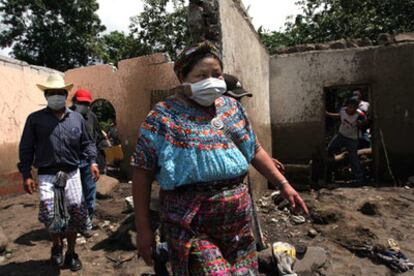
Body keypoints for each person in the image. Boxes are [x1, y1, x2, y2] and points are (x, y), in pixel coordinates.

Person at [131, 41, 308, 275]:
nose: (211, 80)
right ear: (183, 79)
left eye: (216, 74)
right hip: (190, 223)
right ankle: (167, 251)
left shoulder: (232, 108)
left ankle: (166, 254)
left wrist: (283, 185)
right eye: (201, 75)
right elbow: (141, 171)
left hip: (238, 222)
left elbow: (253, 149)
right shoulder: (162, 117)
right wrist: (143, 228)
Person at [18, 73, 99, 271]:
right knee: (52, 214)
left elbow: (87, 143)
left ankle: (71, 253)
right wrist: (27, 174)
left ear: (65, 94)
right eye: (51, 93)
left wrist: (93, 162)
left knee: (75, 214)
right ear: (45, 96)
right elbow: (26, 148)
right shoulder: (35, 119)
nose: (55, 96)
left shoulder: (77, 119)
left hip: (72, 173)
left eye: (59, 93)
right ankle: (57, 246)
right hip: (48, 174)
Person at [71, 88, 103, 236]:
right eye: (81, 103)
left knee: (90, 194)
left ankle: (87, 223)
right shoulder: (66, 116)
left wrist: (94, 161)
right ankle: (76, 224)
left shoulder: (92, 117)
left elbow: (95, 136)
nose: (85, 106)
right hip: (71, 162)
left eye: (87, 103)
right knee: (75, 196)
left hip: (88, 161)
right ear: (74, 102)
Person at [326, 97, 368, 182]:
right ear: (347, 106)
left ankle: (359, 177)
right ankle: (329, 172)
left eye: (354, 107)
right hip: (341, 135)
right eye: (350, 107)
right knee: (330, 150)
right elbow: (339, 115)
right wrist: (328, 114)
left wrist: (361, 123)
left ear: (356, 108)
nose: (351, 109)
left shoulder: (360, 115)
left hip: (353, 139)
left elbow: (365, 122)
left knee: (353, 157)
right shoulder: (342, 110)